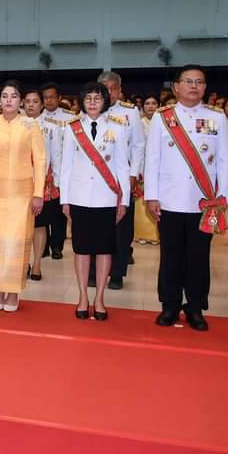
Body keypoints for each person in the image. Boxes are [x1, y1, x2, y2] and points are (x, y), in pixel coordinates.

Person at [145, 65, 228, 331]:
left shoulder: (217, 117)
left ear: (205, 87)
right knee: (170, 257)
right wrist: (151, 195)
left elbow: (226, 161)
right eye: (188, 81)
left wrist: (222, 196)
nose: (194, 86)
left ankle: (195, 307)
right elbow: (153, 159)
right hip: (169, 200)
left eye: (199, 82)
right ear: (176, 87)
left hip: (204, 202)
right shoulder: (163, 117)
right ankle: (169, 305)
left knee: (199, 257)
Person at [60, 83, 130, 321]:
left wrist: (124, 200)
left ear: (105, 101)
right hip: (79, 197)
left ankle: (99, 298)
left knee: (103, 250)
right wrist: (65, 199)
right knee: (81, 249)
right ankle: (82, 297)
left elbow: (122, 166)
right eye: (88, 98)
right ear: (82, 101)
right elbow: (66, 166)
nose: (92, 102)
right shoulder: (72, 128)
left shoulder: (117, 129)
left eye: (97, 98)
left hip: (107, 198)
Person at [0, 81, 46, 313]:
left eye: (14, 96)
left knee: (15, 242)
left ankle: (13, 290)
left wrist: (38, 193)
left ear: (20, 101)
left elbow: (41, 161)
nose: (8, 100)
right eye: (5, 96)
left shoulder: (30, 125)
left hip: (22, 194)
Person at [97, 71, 145, 290]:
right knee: (94, 225)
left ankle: (117, 272)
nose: (109, 93)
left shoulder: (130, 112)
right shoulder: (89, 110)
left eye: (113, 88)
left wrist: (134, 174)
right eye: (104, 88)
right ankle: (93, 271)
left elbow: (138, 146)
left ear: (119, 89)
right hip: (95, 178)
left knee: (121, 227)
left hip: (121, 178)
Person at [25, 89, 61, 282]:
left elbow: (56, 155)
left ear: (41, 104)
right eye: (27, 101)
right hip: (19, 182)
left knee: (39, 225)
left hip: (42, 183)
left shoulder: (51, 127)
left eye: (35, 101)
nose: (31, 105)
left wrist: (58, 181)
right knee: (21, 226)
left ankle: (37, 263)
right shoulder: (14, 125)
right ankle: (23, 263)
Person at [41, 83, 70, 259]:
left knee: (59, 212)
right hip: (44, 170)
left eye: (52, 97)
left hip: (63, 169)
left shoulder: (69, 117)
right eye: (45, 97)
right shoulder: (36, 117)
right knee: (42, 211)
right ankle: (42, 245)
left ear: (59, 98)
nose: (49, 100)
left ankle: (57, 245)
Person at [134, 95, 161, 246]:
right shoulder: (139, 123)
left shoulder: (163, 121)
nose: (150, 106)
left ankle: (157, 234)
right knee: (141, 202)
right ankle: (142, 234)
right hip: (142, 166)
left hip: (159, 167)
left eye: (154, 103)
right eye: (147, 103)